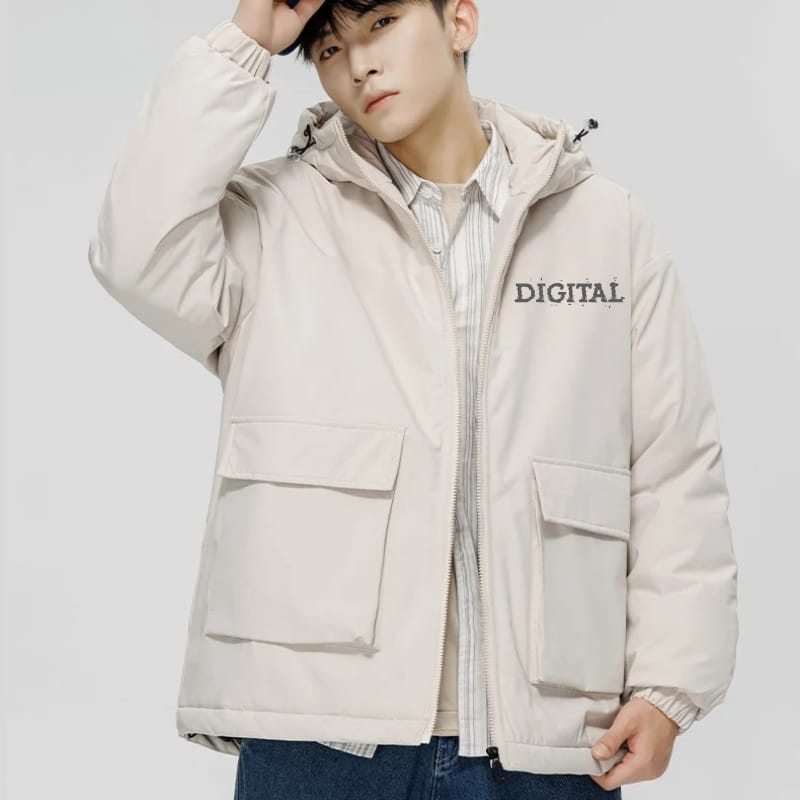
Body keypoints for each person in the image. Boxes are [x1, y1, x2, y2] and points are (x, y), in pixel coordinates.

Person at [87, 1, 739, 797]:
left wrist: (670, 685)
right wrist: (247, 42)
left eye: (382, 23)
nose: (359, 63)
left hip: (549, 741)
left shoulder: (606, 228)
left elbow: (674, 466)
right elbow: (135, 250)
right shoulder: (272, 218)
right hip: (320, 733)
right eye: (330, 49)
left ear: (460, 22)